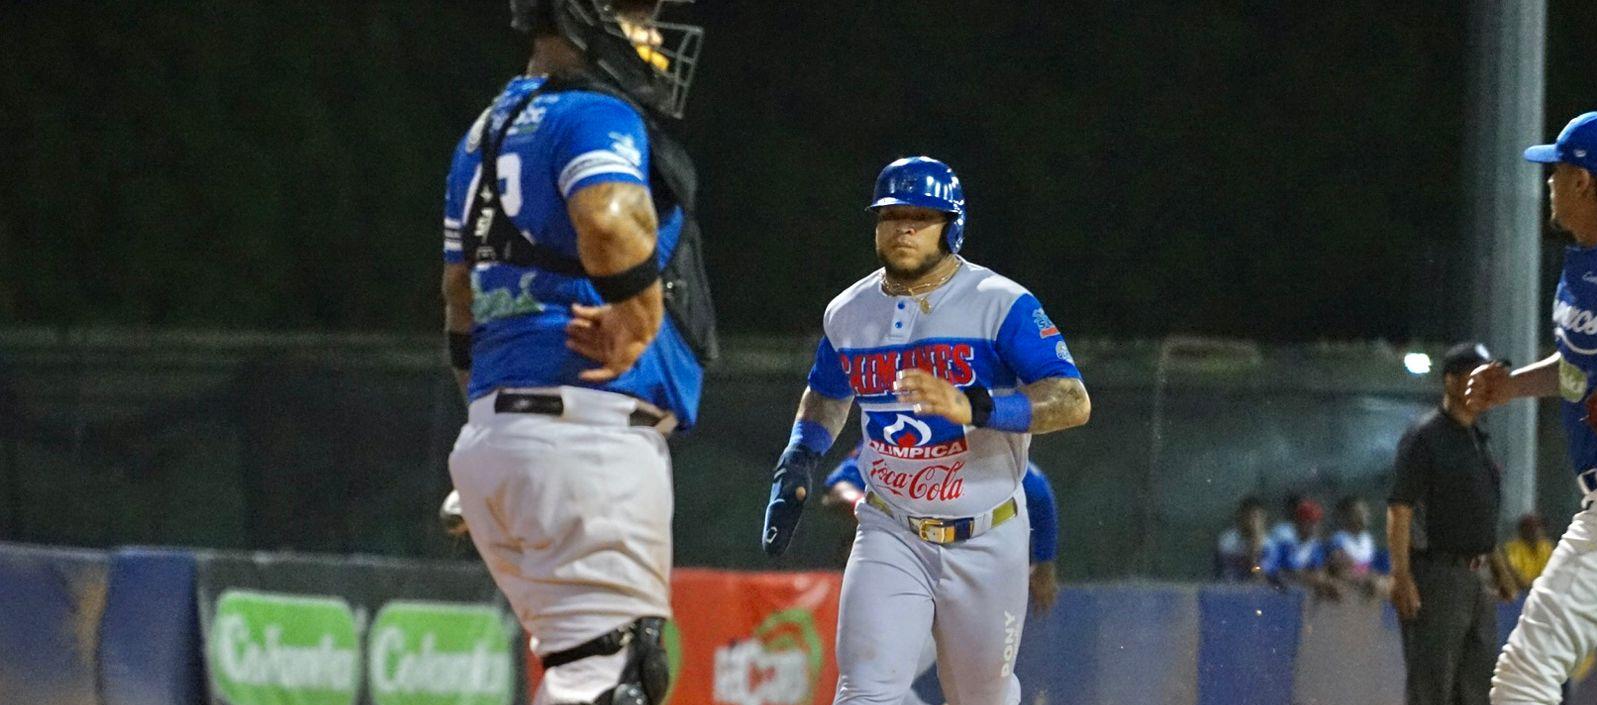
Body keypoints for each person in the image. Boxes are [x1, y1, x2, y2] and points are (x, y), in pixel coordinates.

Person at [438, 3, 712, 704]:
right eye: (636, 12)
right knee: (613, 677)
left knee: (582, 670)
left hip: (501, 434)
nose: (651, 33)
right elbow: (608, 218)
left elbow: (459, 295)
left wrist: (496, 423)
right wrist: (640, 317)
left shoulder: (483, 132)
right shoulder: (594, 112)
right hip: (584, 436)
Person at [759, 156, 1091, 705]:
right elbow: (827, 390)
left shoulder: (1000, 303)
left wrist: (976, 406)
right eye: (892, 215)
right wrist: (799, 455)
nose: (904, 227)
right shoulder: (848, 311)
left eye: (922, 215)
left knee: (982, 698)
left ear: (951, 224)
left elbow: (1072, 399)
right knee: (865, 692)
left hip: (986, 533)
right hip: (890, 527)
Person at [1470, 111, 1597, 705]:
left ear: (1585, 182)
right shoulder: (1579, 266)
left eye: (1557, 170)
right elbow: (1576, 369)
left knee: (1523, 676)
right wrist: (1511, 387)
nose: (1548, 181)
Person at [1389, 342, 1519, 705]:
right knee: (1432, 688)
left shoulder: (1479, 438)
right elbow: (1400, 509)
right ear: (1449, 382)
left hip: (1475, 578)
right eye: (1473, 377)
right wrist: (1401, 577)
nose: (1483, 385)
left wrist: (1499, 569)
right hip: (1436, 575)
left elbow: (1477, 513)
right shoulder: (1425, 436)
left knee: (1477, 689)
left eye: (1488, 377)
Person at [821, 441, 1063, 614]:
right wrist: (884, 519)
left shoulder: (974, 440)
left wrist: (1044, 562)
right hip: (898, 565)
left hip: (971, 565)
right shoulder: (893, 436)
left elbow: (1038, 492)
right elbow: (837, 489)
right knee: (881, 671)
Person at [1326, 496, 1390, 598]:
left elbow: (1374, 566)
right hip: (1350, 588)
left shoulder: (1367, 539)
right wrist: (1365, 576)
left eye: (1366, 512)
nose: (1366, 515)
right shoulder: (1339, 539)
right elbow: (1340, 570)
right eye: (1361, 512)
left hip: (1367, 586)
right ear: (1350, 516)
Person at [1215, 496, 1276, 582]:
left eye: (1256, 516)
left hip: (1255, 590)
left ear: (1263, 518)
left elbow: (1259, 574)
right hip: (1229, 588)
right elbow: (1222, 569)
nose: (1252, 521)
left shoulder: (1270, 544)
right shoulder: (1228, 540)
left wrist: (1255, 551)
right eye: (1248, 516)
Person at [1501, 513, 1553, 592]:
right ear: (1523, 531)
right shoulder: (1512, 548)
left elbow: (1553, 576)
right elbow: (1519, 581)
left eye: (1540, 527)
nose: (1538, 531)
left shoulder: (1546, 547)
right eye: (1532, 528)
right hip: (1518, 595)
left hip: (1540, 592)